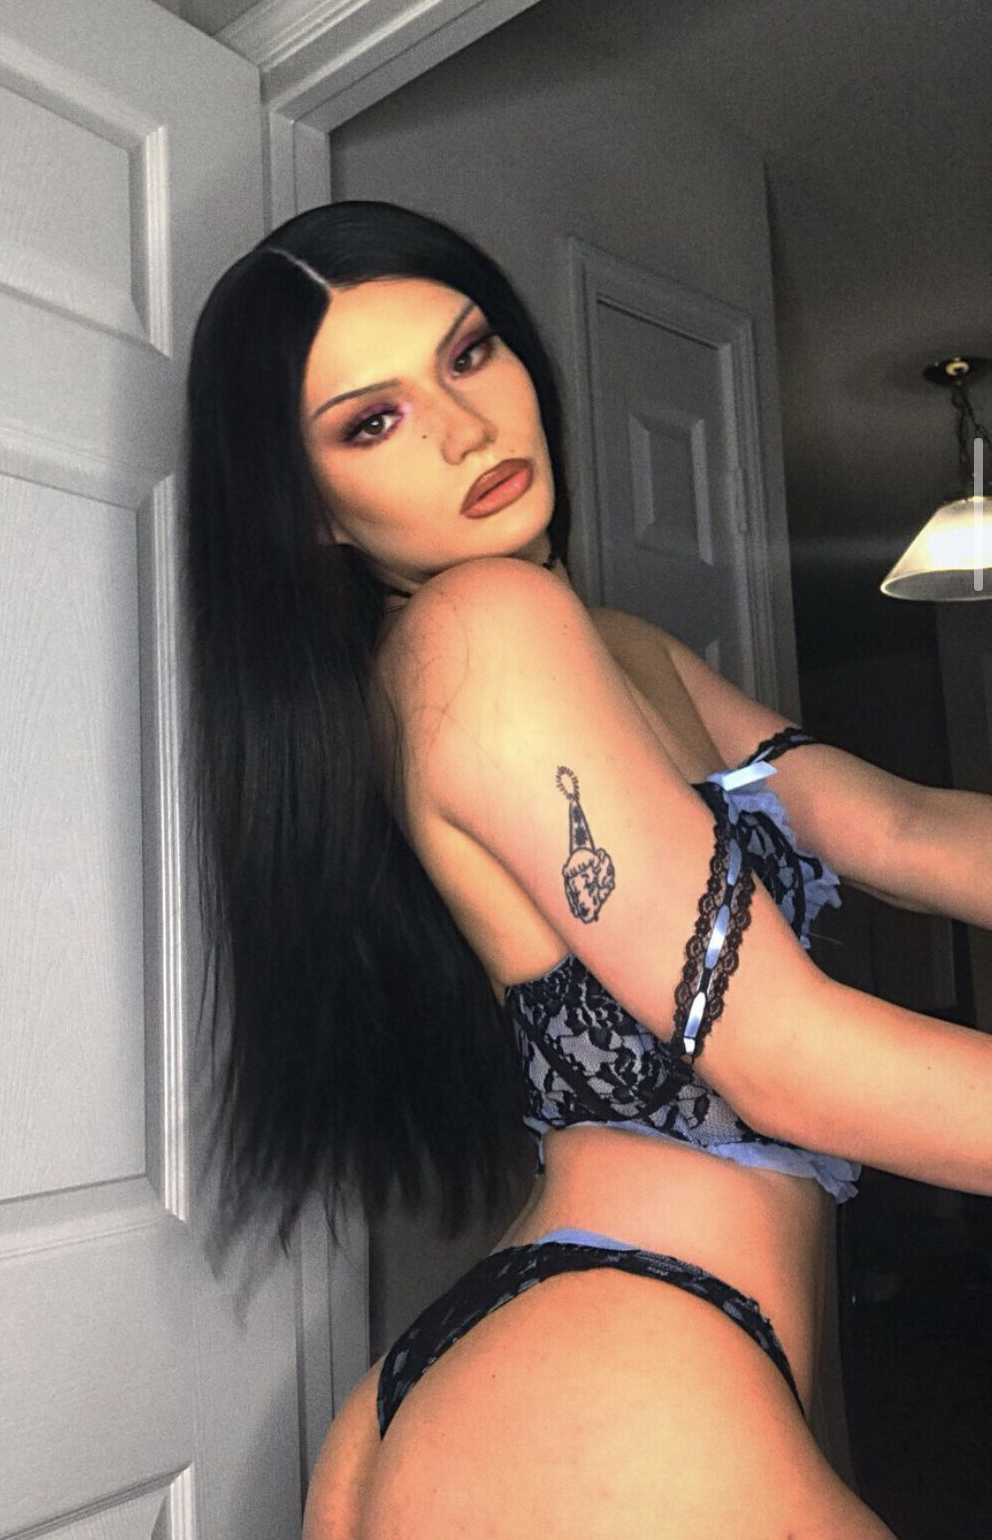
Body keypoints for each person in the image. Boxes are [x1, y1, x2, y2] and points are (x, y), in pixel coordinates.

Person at [181, 199, 992, 1539]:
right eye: (371, 422)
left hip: (625, 1354)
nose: (464, 427)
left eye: (469, 352)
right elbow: (787, 1056)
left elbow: (898, 831)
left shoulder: (614, 643)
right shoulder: (482, 626)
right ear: (311, 512)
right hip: (616, 1382)